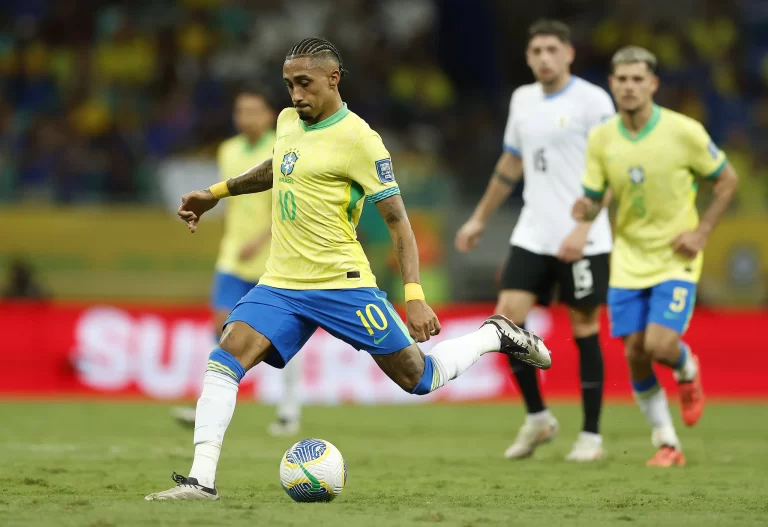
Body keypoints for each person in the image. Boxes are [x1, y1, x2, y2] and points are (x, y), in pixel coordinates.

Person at [145, 37, 551, 501]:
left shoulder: (360, 140)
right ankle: (202, 481)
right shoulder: (286, 120)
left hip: (343, 284)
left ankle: (494, 335)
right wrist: (216, 192)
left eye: (304, 83)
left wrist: (414, 295)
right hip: (282, 281)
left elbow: (398, 223)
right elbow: (280, 166)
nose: (295, 95)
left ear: (332, 79)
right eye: (288, 85)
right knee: (226, 355)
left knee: (419, 378)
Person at [455, 19, 614, 462]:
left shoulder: (593, 100)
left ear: (569, 54)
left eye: (552, 49)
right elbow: (512, 163)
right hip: (533, 232)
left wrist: (584, 227)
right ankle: (538, 417)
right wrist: (479, 218)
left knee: (584, 329)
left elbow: (615, 167)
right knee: (504, 324)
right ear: (528, 58)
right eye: (536, 51)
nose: (544, 57)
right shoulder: (522, 99)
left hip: (586, 236)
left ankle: (591, 435)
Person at [573, 46, 738, 467]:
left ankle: (686, 368)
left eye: (637, 79)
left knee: (660, 344)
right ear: (611, 84)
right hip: (628, 258)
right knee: (634, 353)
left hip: (673, 257)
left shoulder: (684, 131)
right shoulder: (602, 138)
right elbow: (594, 198)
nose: (628, 87)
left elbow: (726, 181)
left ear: (652, 84)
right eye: (621, 80)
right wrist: (584, 211)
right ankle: (667, 443)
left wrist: (701, 232)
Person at [170, 84, 303, 437]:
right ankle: (211, 402)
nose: (246, 118)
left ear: (268, 115)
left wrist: (260, 239)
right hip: (233, 255)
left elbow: (290, 203)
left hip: (273, 256)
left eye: (253, 111)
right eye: (240, 111)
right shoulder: (228, 150)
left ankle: (289, 406)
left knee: (279, 336)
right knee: (221, 325)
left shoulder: (286, 144)